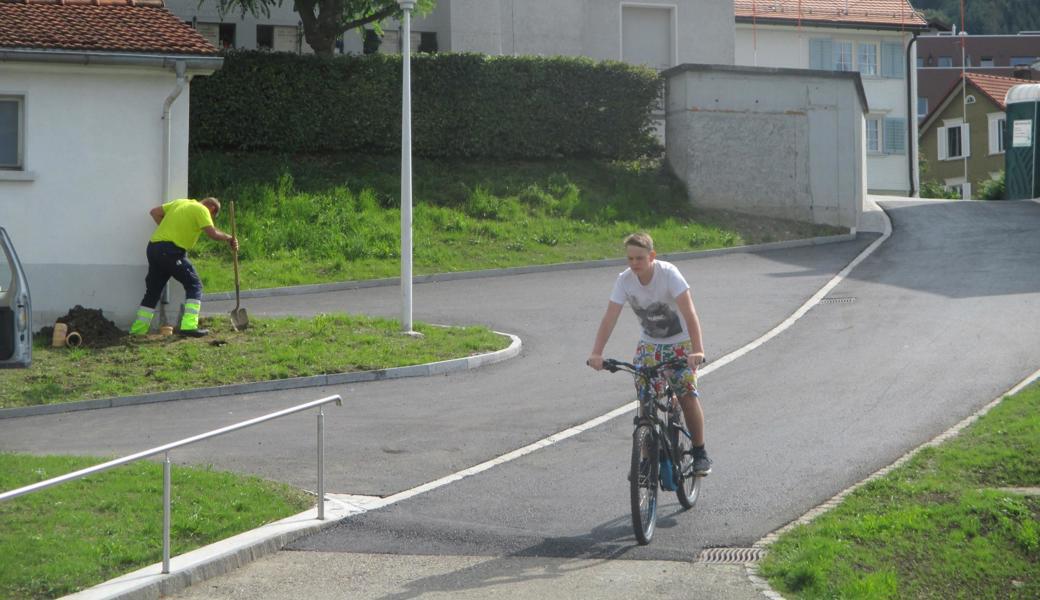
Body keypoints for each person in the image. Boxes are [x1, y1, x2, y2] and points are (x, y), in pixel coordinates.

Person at [587, 232, 712, 475]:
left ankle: (699, 452)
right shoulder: (624, 280)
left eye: (640, 258)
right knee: (645, 402)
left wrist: (697, 350)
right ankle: (646, 460)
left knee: (686, 394)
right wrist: (597, 353)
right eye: (630, 259)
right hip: (650, 346)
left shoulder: (668, 274)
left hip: (680, 343)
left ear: (652, 256)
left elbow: (689, 313)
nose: (634, 264)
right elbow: (610, 316)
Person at [129, 197, 237, 338]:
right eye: (212, 217)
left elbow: (154, 212)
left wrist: (170, 230)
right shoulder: (202, 209)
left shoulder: (181, 202)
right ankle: (189, 326)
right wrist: (229, 238)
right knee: (194, 285)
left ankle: (137, 331)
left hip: (154, 247)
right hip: (171, 251)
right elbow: (213, 233)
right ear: (212, 209)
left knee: (153, 292)